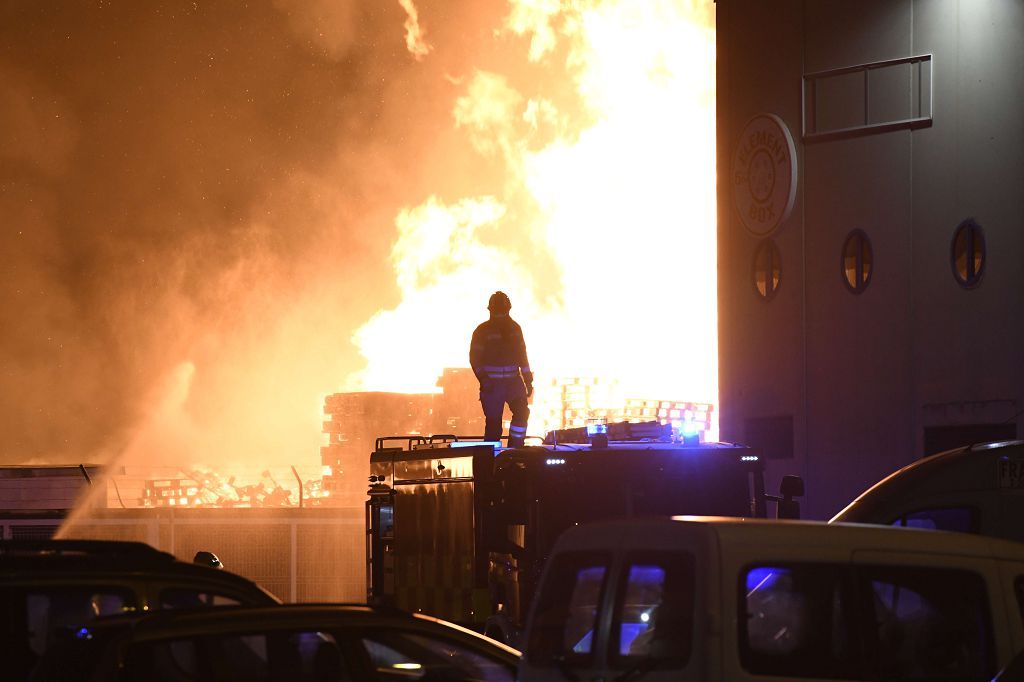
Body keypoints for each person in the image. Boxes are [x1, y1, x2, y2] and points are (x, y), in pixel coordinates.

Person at [470, 291, 533, 448]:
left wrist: (528, 380)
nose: (501, 315)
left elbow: (522, 356)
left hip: (512, 383)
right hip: (493, 386)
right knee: (493, 426)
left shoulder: (514, 329)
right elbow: (475, 359)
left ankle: (515, 449)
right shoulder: (482, 331)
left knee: (521, 413)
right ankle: (492, 459)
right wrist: (485, 380)